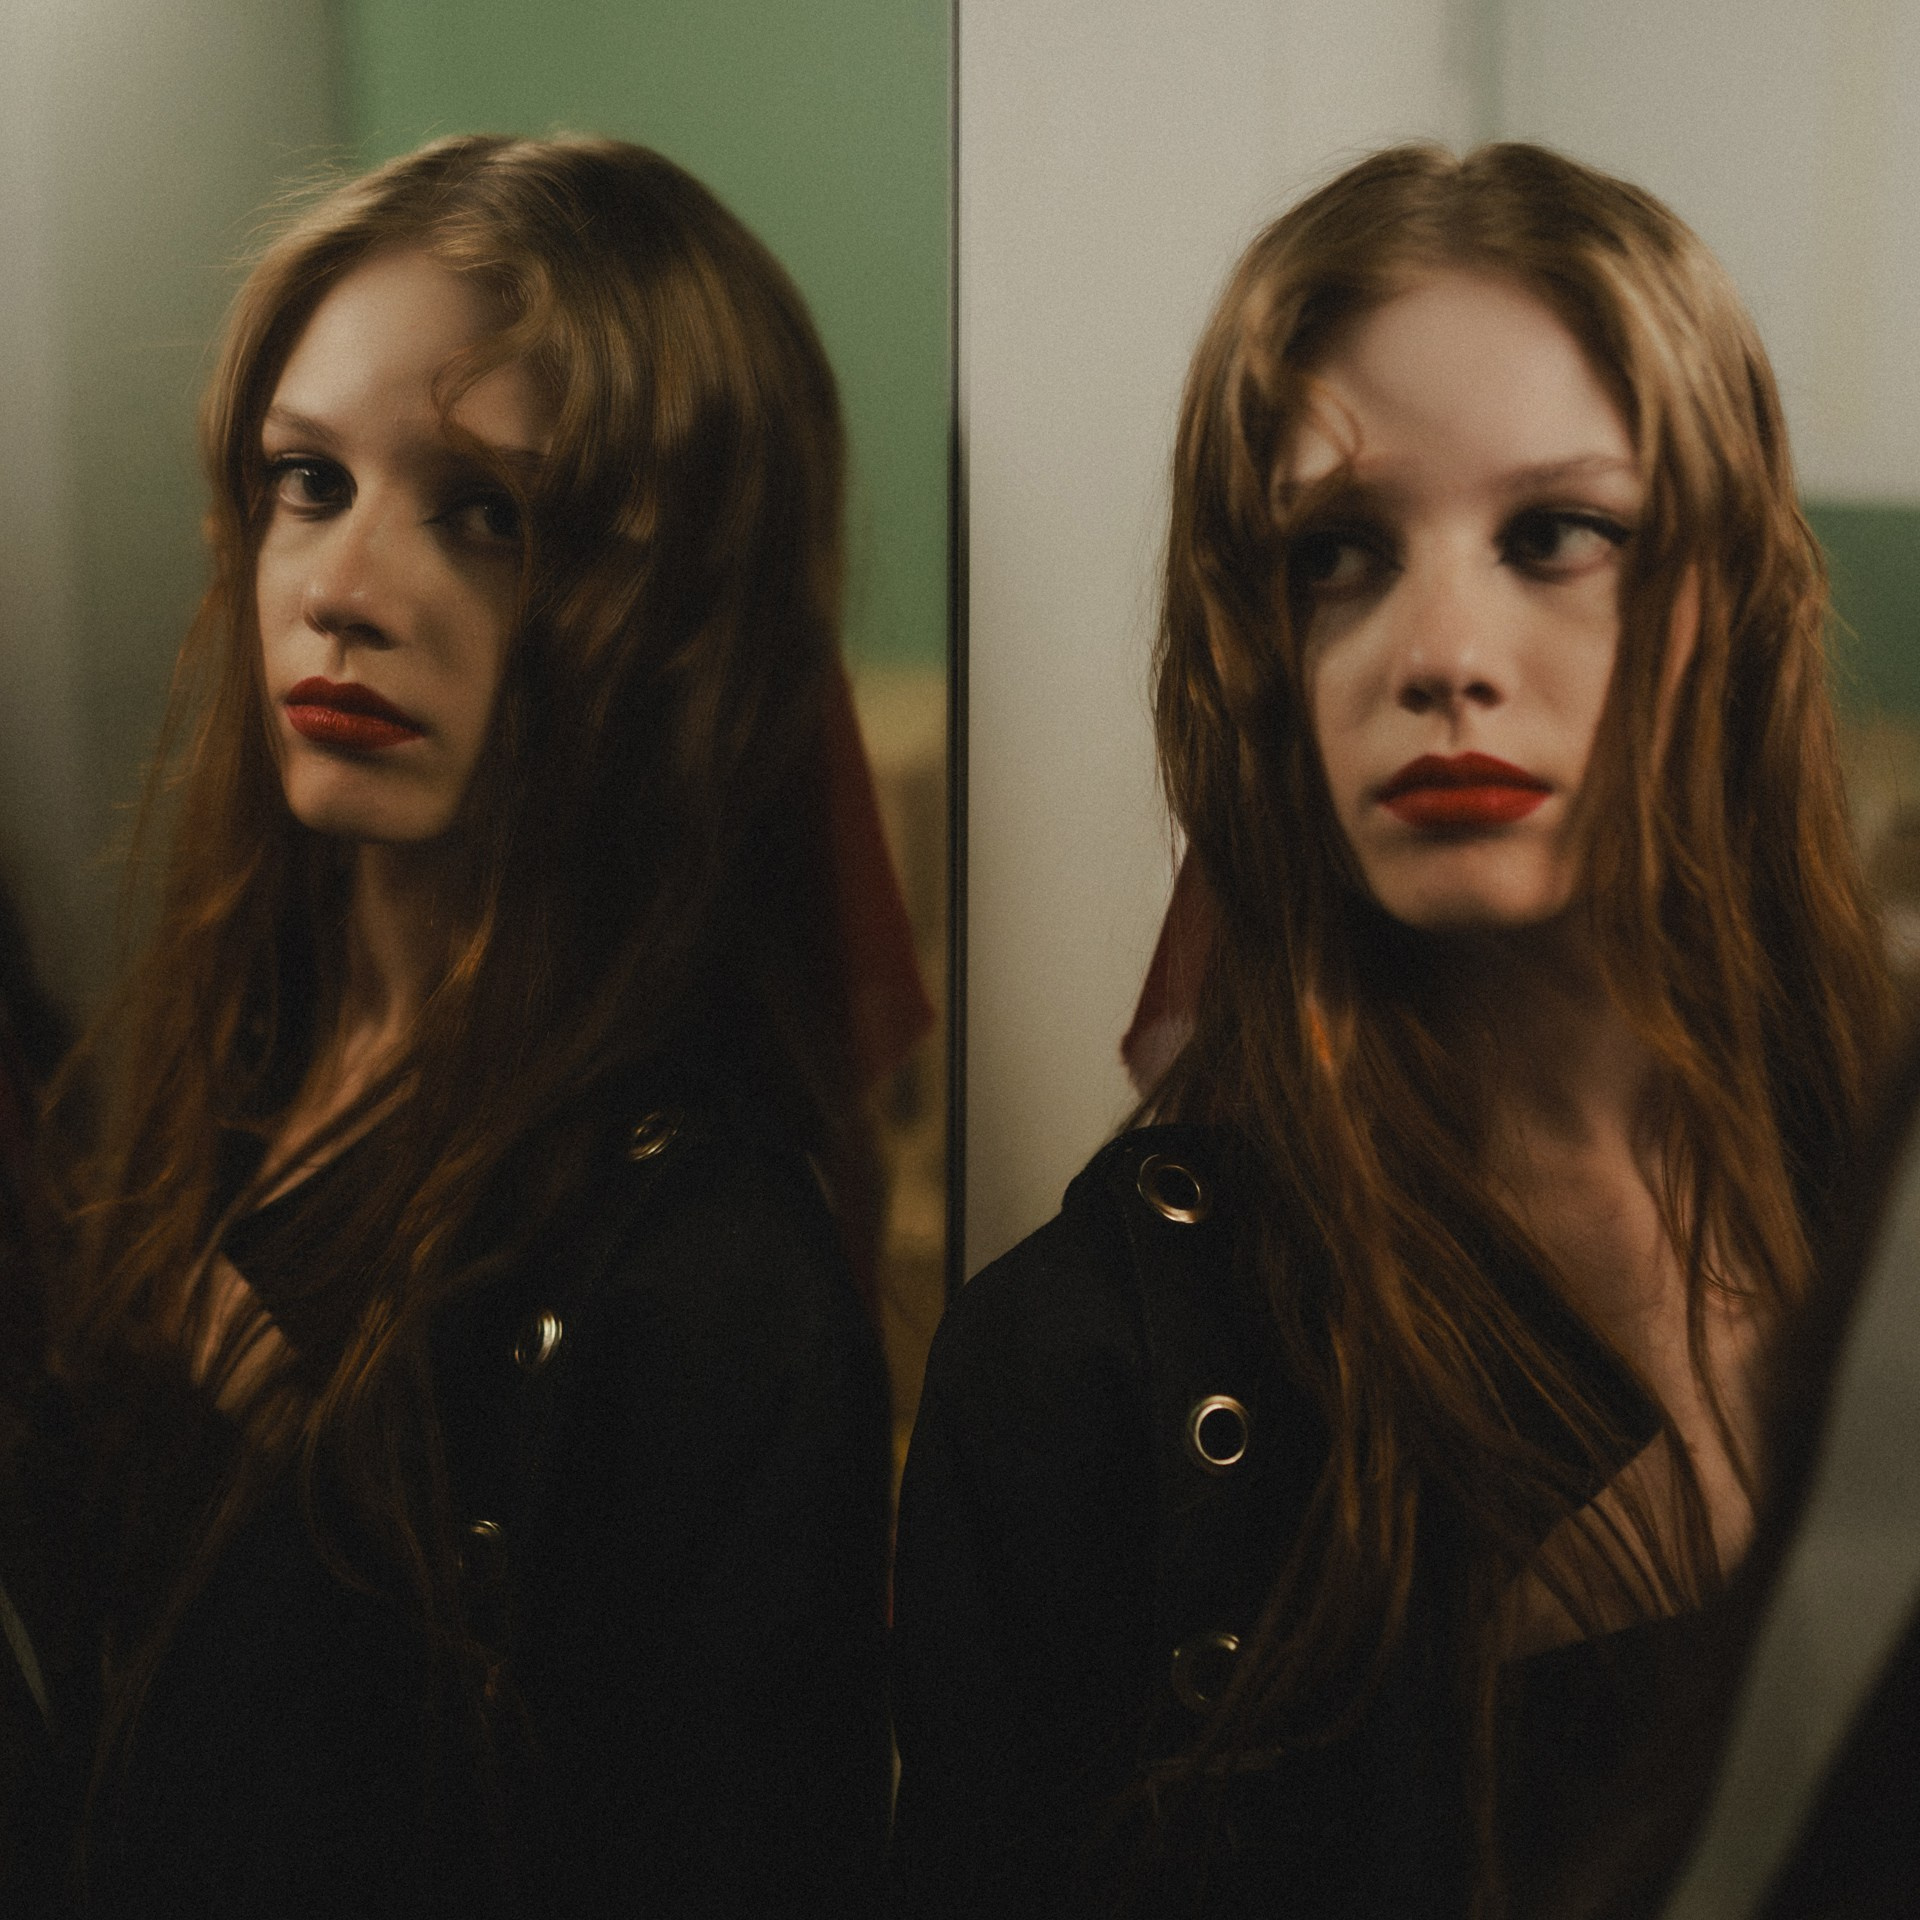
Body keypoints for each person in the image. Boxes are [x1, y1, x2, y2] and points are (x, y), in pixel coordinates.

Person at [889, 141, 1895, 1919]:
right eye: (1339, 553)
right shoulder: (1083, 1380)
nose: (1441, 652)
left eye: (1555, 536)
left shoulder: (1882, 1204)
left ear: (1724, 596)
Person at [28, 134, 921, 1918]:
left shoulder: (706, 1280)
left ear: (675, 612)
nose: (342, 590)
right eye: (308, 480)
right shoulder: (250, 1038)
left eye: (487, 514)